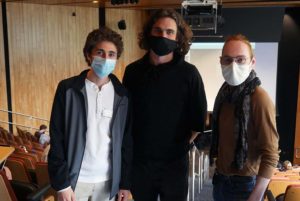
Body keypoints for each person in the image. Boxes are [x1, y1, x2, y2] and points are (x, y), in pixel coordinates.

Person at [123, 9, 207, 201]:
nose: (163, 36)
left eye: (169, 32)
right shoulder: (132, 72)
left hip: (174, 164)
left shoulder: (190, 74)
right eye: (158, 30)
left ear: (178, 38)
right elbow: (126, 116)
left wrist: (177, 146)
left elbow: (198, 122)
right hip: (140, 163)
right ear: (148, 33)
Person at [48, 27, 132, 201]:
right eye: (100, 52)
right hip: (74, 181)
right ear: (88, 55)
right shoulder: (68, 89)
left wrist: (125, 182)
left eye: (111, 54)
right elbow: (57, 137)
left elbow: (126, 142)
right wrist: (62, 184)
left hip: (108, 182)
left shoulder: (122, 95)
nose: (106, 58)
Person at [210, 34, 280, 201]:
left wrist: (256, 195)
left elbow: (271, 154)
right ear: (221, 61)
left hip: (245, 186)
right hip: (220, 181)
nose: (233, 65)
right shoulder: (224, 95)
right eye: (227, 60)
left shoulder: (259, 98)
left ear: (252, 62)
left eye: (240, 59)